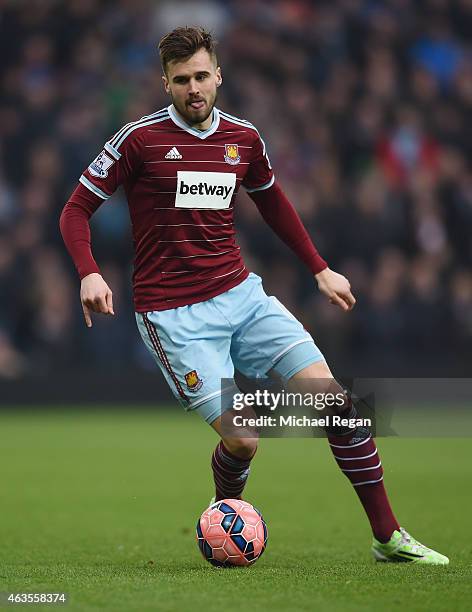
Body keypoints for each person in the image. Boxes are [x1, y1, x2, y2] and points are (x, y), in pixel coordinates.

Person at [60, 26, 448, 565]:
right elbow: (74, 209)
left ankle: (388, 538)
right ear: (165, 84)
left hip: (243, 297)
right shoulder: (138, 141)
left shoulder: (244, 139)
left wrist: (320, 268)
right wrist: (88, 271)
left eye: (201, 76)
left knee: (338, 406)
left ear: (218, 75)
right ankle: (227, 516)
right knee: (244, 439)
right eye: (181, 80)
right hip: (174, 316)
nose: (193, 88)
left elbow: (274, 204)